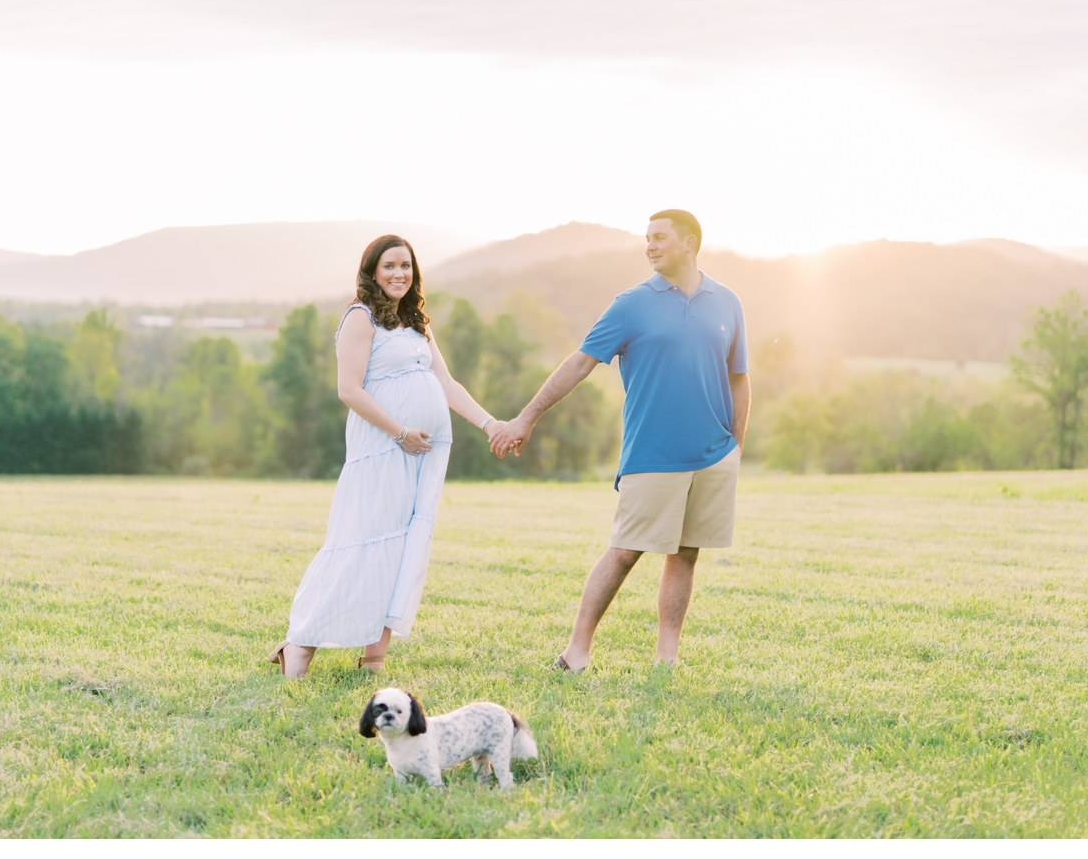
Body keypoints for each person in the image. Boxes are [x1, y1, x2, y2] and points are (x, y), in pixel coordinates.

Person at [491, 209, 749, 671]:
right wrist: (526, 417)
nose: (649, 246)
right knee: (626, 551)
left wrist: (737, 445)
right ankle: (576, 652)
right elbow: (579, 363)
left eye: (659, 238)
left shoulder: (727, 302)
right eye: (646, 239)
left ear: (689, 243)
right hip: (652, 453)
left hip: (713, 455)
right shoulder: (630, 304)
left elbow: (739, 378)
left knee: (686, 554)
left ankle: (666, 658)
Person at [270, 235, 504, 678]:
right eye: (390, 266)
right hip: (382, 448)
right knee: (361, 542)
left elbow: (448, 386)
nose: (399, 274)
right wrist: (399, 432)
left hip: (425, 453)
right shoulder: (360, 318)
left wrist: (490, 424)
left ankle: (374, 655)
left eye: (406, 266)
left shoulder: (417, 322)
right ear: (372, 272)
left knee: (402, 547)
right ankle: (299, 642)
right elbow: (349, 390)